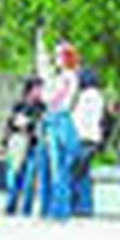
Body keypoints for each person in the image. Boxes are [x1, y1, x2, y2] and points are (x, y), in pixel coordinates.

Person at [38, 39, 81, 221]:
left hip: (59, 118)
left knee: (58, 166)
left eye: (58, 55)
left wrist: (47, 91)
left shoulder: (68, 77)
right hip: (57, 118)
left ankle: (59, 209)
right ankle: (56, 208)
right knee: (56, 166)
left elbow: (53, 99)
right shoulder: (63, 77)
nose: (56, 59)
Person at [3, 76, 46, 217]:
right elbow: (12, 123)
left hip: (34, 144)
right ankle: (10, 205)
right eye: (37, 89)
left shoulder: (42, 107)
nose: (40, 92)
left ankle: (26, 208)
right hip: (19, 142)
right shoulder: (20, 105)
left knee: (30, 178)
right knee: (14, 175)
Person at [69, 66, 107, 217]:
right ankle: (85, 206)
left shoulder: (85, 97)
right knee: (83, 173)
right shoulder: (99, 97)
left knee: (75, 173)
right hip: (93, 138)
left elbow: (78, 119)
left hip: (83, 137)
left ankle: (79, 206)